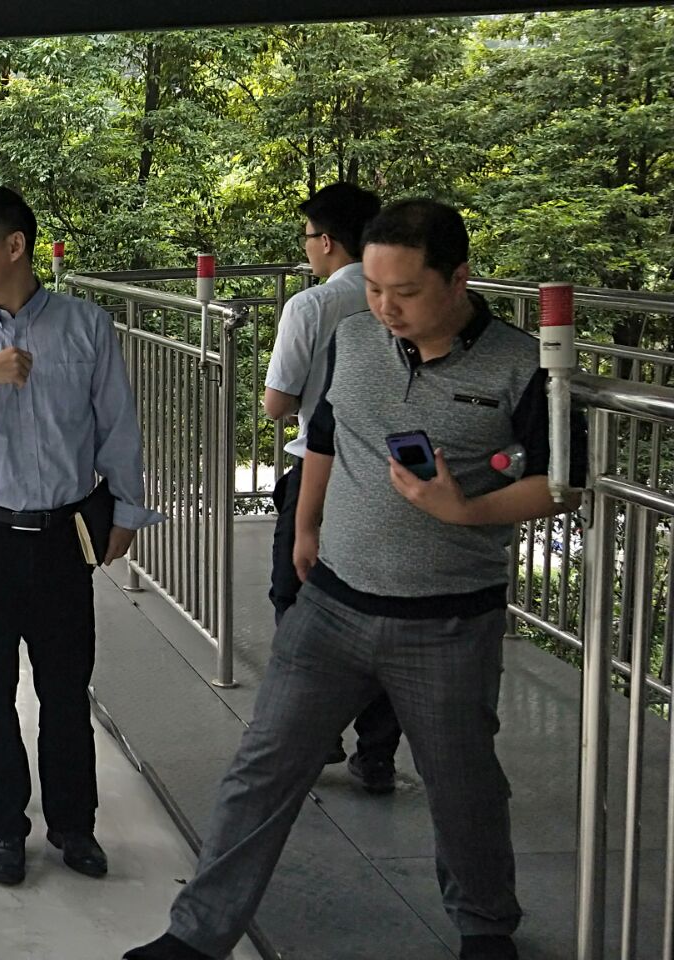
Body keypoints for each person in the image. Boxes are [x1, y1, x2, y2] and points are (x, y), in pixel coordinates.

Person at [127, 199, 586, 960]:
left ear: (458, 279)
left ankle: (484, 928)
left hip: (448, 620)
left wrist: (466, 509)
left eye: (405, 291)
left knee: (463, 785)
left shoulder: (522, 366)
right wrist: (306, 527)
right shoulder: (353, 338)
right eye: (374, 288)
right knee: (263, 768)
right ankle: (197, 934)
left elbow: (558, 485)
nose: (385, 307)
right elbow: (325, 437)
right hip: (333, 605)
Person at [0, 186, 164, 886]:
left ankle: (74, 827)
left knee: (65, 690)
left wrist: (127, 512)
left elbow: (116, 425)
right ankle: (4, 829)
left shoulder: (86, 326)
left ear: (14, 245)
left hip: (59, 536)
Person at [262, 182, 403, 793]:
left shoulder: (312, 305)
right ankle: (377, 754)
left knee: (296, 601)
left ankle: (315, 736)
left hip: (319, 476)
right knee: (382, 605)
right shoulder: (407, 300)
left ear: (326, 241)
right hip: (392, 478)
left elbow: (277, 403)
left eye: (307, 238)